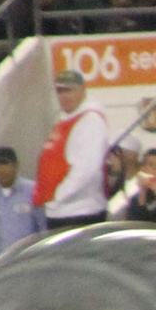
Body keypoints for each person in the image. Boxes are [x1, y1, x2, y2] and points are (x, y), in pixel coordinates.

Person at [38, 69, 115, 227]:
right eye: (60, 91)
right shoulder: (66, 120)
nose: (63, 96)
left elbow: (88, 169)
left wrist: (58, 196)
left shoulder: (90, 121)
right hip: (61, 212)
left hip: (81, 212)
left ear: (82, 90)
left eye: (69, 90)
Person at [0, 145, 45, 258]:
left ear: (15, 165)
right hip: (2, 262)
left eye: (5, 164)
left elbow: (43, 228)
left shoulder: (32, 191)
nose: (0, 170)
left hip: (29, 259)